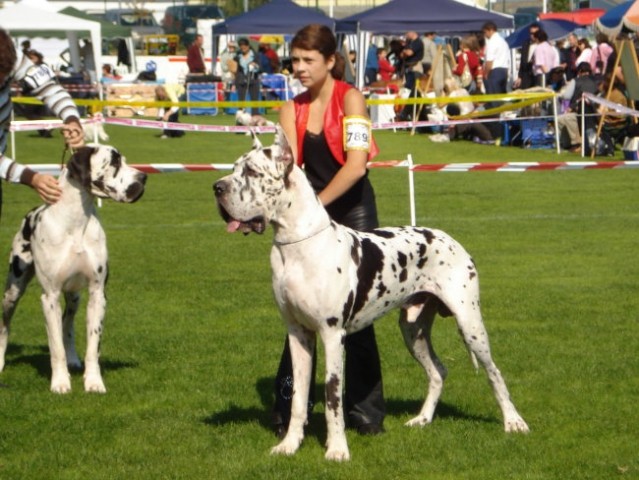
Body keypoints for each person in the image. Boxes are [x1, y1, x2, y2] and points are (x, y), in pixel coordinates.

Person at [273, 23, 386, 438]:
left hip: (353, 212)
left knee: (357, 319)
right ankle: (286, 409)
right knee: (298, 319)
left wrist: (316, 211)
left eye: (308, 60)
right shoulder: (291, 109)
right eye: (295, 60)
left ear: (331, 61)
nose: (299, 68)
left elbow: (357, 165)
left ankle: (366, 413)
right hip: (307, 222)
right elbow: (286, 172)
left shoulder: (351, 98)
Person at [0, 28, 83, 210]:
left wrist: (72, 120)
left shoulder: (10, 54)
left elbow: (49, 88)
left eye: (4, 79)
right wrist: (32, 178)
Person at [557, 62, 599, 152]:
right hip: (596, 113)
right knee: (563, 118)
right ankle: (569, 144)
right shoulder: (596, 81)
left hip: (580, 111)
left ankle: (576, 143)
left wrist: (567, 108)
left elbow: (566, 96)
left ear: (579, 71)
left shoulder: (575, 81)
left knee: (562, 118)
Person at [398, 31, 424, 121]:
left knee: (415, 92)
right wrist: (405, 52)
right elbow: (402, 55)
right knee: (408, 91)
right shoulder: (409, 43)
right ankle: (406, 113)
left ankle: (406, 113)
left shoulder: (418, 42)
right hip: (408, 69)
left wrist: (405, 52)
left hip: (415, 69)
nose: (406, 35)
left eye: (407, 33)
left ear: (412, 32)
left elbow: (409, 53)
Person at [481, 21, 510, 100]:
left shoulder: (492, 42)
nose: (485, 35)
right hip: (504, 71)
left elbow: (489, 61)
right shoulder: (503, 42)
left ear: (491, 30)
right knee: (501, 97)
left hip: (494, 72)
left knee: (493, 99)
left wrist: (486, 74)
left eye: (485, 32)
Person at [234, 38, 261, 115]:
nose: (243, 49)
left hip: (253, 80)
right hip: (241, 81)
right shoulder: (238, 56)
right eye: (241, 47)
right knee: (241, 101)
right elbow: (236, 70)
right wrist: (235, 82)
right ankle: (240, 120)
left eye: (244, 47)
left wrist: (255, 65)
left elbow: (260, 68)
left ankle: (255, 117)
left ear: (248, 46)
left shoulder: (255, 55)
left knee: (254, 101)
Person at [513, 22, 540, 90]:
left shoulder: (541, 45)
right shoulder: (526, 44)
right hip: (525, 76)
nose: (533, 35)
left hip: (537, 76)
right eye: (531, 33)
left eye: (535, 33)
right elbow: (522, 61)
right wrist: (520, 77)